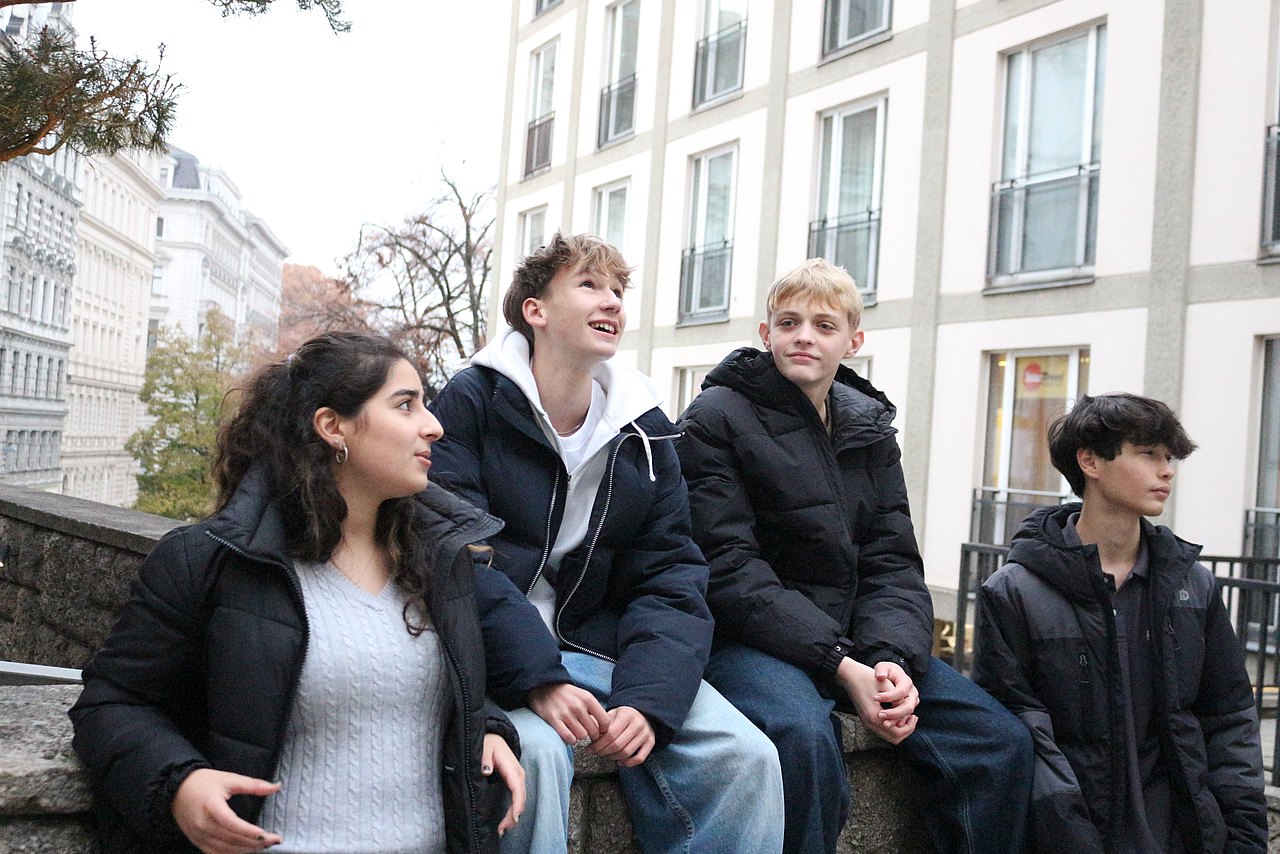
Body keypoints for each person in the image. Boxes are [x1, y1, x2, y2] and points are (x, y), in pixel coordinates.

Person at [70, 332, 526, 854]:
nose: (434, 425)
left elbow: (410, 689)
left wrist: (482, 729)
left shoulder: (439, 562)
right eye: (406, 405)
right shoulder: (210, 561)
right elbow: (111, 703)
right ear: (333, 427)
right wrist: (180, 783)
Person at [428, 232, 784, 854]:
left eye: (619, 290)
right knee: (533, 755)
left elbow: (672, 572)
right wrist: (535, 676)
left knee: (744, 754)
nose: (612, 301)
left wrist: (648, 701)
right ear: (535, 311)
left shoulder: (645, 426)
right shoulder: (468, 404)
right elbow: (458, 556)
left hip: (599, 648)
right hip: (490, 649)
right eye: (590, 285)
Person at [676, 258, 1034, 854]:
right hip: (747, 641)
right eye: (788, 323)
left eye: (823, 324)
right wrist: (843, 664)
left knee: (997, 740)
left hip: (857, 640)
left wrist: (890, 657)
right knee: (802, 738)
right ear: (766, 335)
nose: (804, 337)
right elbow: (728, 569)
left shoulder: (868, 427)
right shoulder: (715, 419)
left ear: (853, 340)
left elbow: (893, 560)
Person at [974, 393, 1267, 853]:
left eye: (1170, 457)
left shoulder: (1193, 586)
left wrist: (1245, 840)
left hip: (1186, 837)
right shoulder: (1014, 591)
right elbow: (1022, 735)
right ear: (1090, 461)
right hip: (1073, 837)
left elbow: (1228, 719)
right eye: (1148, 454)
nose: (1166, 470)